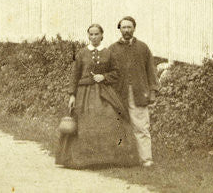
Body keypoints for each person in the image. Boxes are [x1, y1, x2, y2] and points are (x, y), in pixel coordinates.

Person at [56, 24, 138, 169]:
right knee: (84, 124)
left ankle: (109, 159)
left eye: (96, 34)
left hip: (104, 93)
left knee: (111, 119)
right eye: (91, 34)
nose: (93, 37)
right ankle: (83, 160)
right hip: (84, 94)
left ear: (102, 36)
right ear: (88, 36)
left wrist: (104, 76)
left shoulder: (108, 53)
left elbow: (116, 73)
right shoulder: (82, 54)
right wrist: (72, 96)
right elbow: (75, 75)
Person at [110, 16, 158, 167]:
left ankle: (146, 159)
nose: (126, 30)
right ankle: (122, 160)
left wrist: (152, 91)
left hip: (138, 93)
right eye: (123, 27)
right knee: (119, 127)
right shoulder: (112, 49)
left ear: (134, 29)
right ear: (119, 29)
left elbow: (151, 70)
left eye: (129, 27)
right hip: (119, 94)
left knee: (141, 127)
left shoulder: (142, 48)